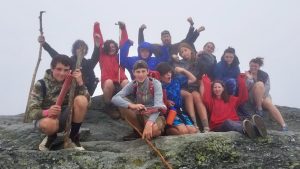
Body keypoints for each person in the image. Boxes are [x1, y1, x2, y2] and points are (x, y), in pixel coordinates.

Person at [27, 55, 90, 151]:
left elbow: (87, 103)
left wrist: (80, 83)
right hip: (47, 119)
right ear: (52, 68)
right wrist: (47, 112)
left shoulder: (73, 83)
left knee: (81, 100)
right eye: (59, 69)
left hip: (65, 117)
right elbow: (31, 111)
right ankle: (51, 137)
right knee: (49, 124)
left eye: (66, 70)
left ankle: (73, 137)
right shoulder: (41, 84)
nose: (62, 73)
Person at [38, 23, 100, 96]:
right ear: (75, 49)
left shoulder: (88, 63)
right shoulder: (69, 61)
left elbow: (95, 57)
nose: (81, 50)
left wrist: (97, 45)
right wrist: (44, 44)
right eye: (79, 48)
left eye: (84, 48)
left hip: (84, 90)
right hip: (69, 91)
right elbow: (55, 55)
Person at [111, 60, 166, 140]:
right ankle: (138, 131)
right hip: (140, 114)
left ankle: (152, 129)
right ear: (133, 73)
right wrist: (132, 105)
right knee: (122, 103)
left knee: (153, 131)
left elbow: (159, 106)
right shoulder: (133, 84)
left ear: (147, 72)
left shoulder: (155, 83)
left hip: (155, 115)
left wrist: (149, 123)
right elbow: (115, 98)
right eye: (138, 72)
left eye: (143, 71)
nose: (141, 74)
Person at [201, 74, 267, 138]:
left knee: (243, 122)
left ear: (223, 88)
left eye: (219, 87)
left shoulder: (231, 99)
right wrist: (206, 82)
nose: (217, 89)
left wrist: (241, 81)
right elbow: (206, 98)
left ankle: (257, 130)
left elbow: (243, 97)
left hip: (234, 123)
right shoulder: (211, 101)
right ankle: (245, 131)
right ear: (212, 89)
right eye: (215, 87)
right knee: (228, 122)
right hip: (218, 126)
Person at [96, 22, 129, 118]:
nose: (112, 48)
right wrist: (97, 27)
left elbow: (124, 43)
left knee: (126, 82)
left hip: (120, 82)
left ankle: (124, 107)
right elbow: (100, 41)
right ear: (106, 48)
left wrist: (123, 28)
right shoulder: (102, 56)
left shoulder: (119, 57)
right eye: (109, 47)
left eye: (114, 47)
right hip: (108, 85)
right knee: (109, 82)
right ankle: (108, 106)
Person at [245, 57, 288, 131]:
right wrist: (250, 79)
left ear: (259, 67)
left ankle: (283, 125)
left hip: (264, 96)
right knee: (260, 84)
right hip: (251, 97)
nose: (253, 68)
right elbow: (246, 88)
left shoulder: (264, 75)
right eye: (251, 66)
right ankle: (259, 109)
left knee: (268, 103)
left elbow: (267, 88)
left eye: (255, 66)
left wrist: (262, 97)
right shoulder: (246, 74)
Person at [156, 62, 198, 135]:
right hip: (169, 112)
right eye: (166, 73)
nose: (169, 74)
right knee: (183, 132)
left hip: (180, 111)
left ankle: (173, 129)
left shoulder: (176, 80)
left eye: (169, 72)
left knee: (193, 131)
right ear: (160, 75)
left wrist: (183, 70)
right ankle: (168, 130)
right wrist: (166, 101)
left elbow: (193, 79)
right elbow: (156, 101)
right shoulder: (158, 85)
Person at [177, 42, 210, 132]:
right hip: (185, 86)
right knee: (190, 96)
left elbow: (207, 67)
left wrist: (203, 53)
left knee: (196, 96)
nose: (184, 53)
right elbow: (179, 77)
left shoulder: (198, 61)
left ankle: (206, 126)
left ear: (191, 50)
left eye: (185, 50)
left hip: (195, 87)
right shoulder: (179, 63)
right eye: (182, 52)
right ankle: (195, 125)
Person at [138, 17, 205, 59]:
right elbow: (142, 45)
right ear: (161, 39)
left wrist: (195, 30)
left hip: (173, 69)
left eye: (167, 36)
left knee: (186, 43)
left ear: (171, 38)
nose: (166, 38)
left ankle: (192, 26)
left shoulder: (175, 46)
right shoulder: (156, 47)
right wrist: (141, 30)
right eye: (164, 37)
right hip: (161, 69)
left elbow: (187, 41)